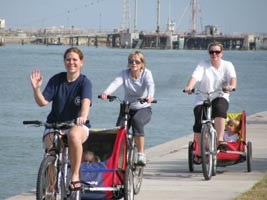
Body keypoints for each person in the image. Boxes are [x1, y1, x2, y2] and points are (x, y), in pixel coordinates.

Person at [30, 47, 92, 190]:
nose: (71, 62)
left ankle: (75, 175)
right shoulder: (57, 79)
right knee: (49, 148)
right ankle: (51, 186)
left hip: (77, 125)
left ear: (81, 62)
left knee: (74, 135)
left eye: (75, 59)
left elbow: (86, 102)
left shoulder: (84, 82)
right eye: (68, 59)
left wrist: (82, 117)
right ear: (64, 62)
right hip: (55, 124)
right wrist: (36, 89)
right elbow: (42, 102)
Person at [183, 41, 237, 164]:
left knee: (219, 109)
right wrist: (189, 87)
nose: (214, 54)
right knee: (198, 121)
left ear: (221, 53)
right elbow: (194, 77)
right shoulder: (203, 64)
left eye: (217, 52)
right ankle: (200, 152)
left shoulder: (227, 65)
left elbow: (233, 78)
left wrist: (231, 86)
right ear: (209, 53)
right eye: (211, 52)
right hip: (202, 96)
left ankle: (220, 139)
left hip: (220, 94)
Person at [100, 51, 155, 166]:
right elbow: (115, 83)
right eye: (131, 61)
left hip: (143, 108)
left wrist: (150, 96)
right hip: (127, 107)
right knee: (119, 130)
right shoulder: (124, 73)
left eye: (137, 61)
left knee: (137, 121)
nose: (133, 63)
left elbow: (150, 84)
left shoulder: (146, 73)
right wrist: (106, 92)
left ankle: (140, 154)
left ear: (142, 64)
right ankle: (118, 156)